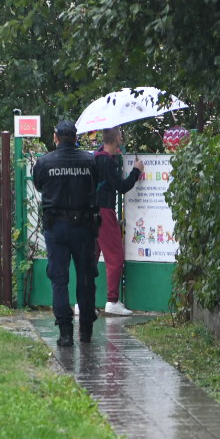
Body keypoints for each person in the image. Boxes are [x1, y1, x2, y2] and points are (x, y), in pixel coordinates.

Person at [31, 118, 99, 346]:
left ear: (56, 137)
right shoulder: (89, 161)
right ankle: (86, 330)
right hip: (84, 227)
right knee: (86, 279)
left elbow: (39, 185)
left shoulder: (44, 162)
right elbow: (96, 184)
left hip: (56, 227)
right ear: (76, 137)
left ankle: (65, 333)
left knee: (59, 279)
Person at [93, 126, 144, 315]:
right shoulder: (106, 161)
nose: (122, 139)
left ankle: (83, 302)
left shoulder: (95, 157)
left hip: (89, 212)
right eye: (120, 136)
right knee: (115, 257)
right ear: (116, 139)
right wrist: (136, 171)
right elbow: (121, 187)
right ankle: (112, 301)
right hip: (104, 211)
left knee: (90, 257)